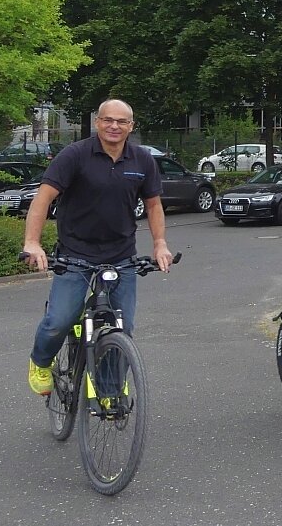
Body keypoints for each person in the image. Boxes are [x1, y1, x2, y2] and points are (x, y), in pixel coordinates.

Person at [23, 99, 175, 396]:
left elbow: (154, 206)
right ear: (97, 122)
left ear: (131, 126)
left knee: (122, 329)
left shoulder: (142, 160)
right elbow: (42, 199)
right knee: (60, 320)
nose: (114, 126)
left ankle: (107, 391)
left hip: (121, 256)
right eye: (108, 120)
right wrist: (32, 243)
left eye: (121, 121)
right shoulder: (75, 155)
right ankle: (41, 361)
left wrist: (160, 245)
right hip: (74, 253)